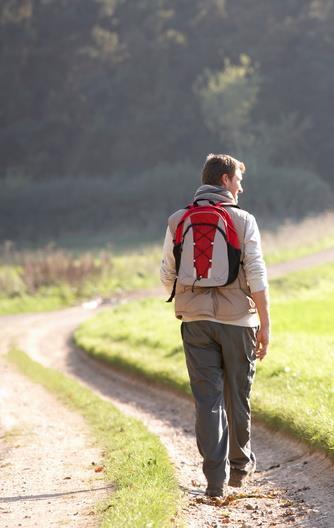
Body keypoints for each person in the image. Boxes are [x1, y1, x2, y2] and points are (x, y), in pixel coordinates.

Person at [160, 153, 270, 498]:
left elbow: (166, 274)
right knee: (238, 394)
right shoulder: (243, 219)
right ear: (224, 180)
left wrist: (190, 297)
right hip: (239, 321)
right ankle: (239, 467)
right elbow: (256, 275)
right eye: (238, 178)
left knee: (207, 398)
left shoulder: (178, 220)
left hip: (195, 322)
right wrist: (265, 323)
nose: (241, 186)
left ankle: (214, 482)